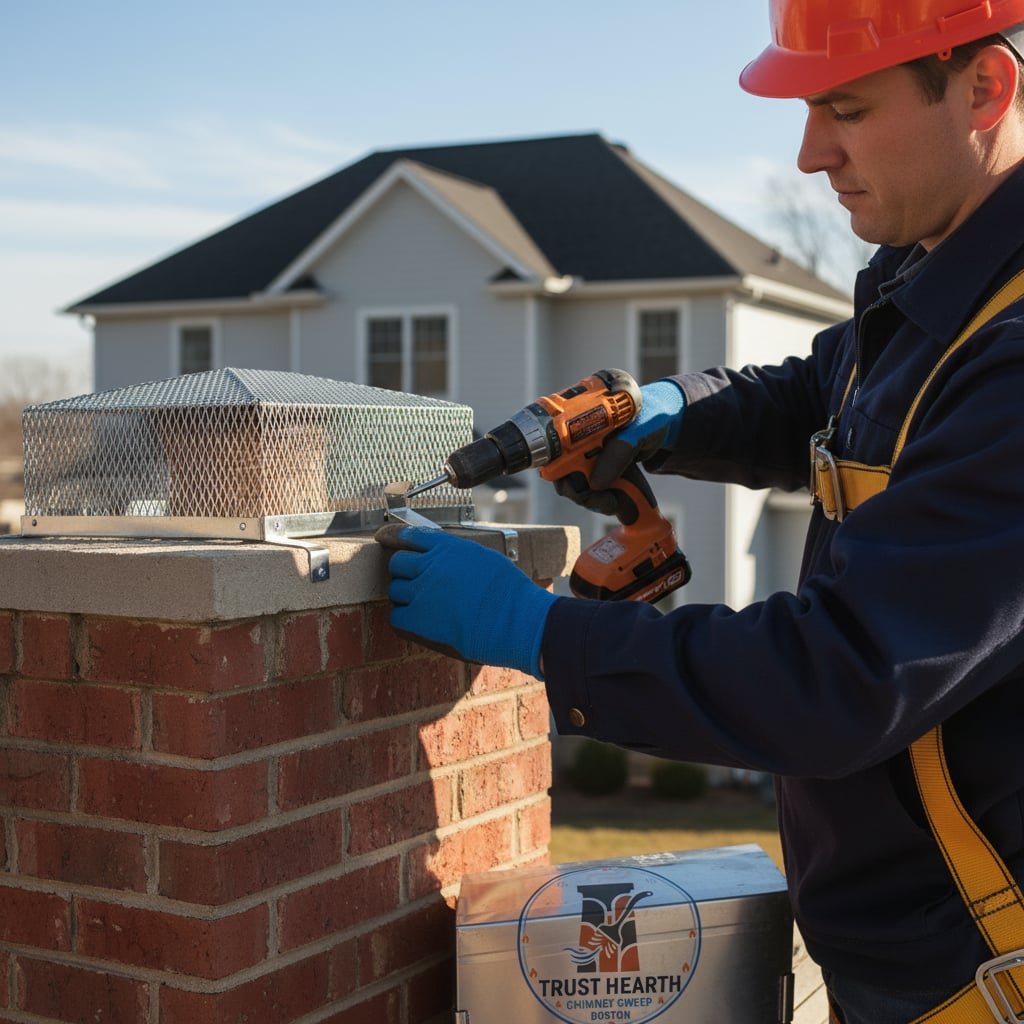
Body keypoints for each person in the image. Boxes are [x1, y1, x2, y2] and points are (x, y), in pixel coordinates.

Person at [379, 2, 1024, 1021]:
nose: (812, 153)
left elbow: (842, 676)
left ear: (984, 87)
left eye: (845, 109)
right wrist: (669, 415)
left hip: (984, 979)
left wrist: (541, 631)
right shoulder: (930, 275)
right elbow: (823, 391)